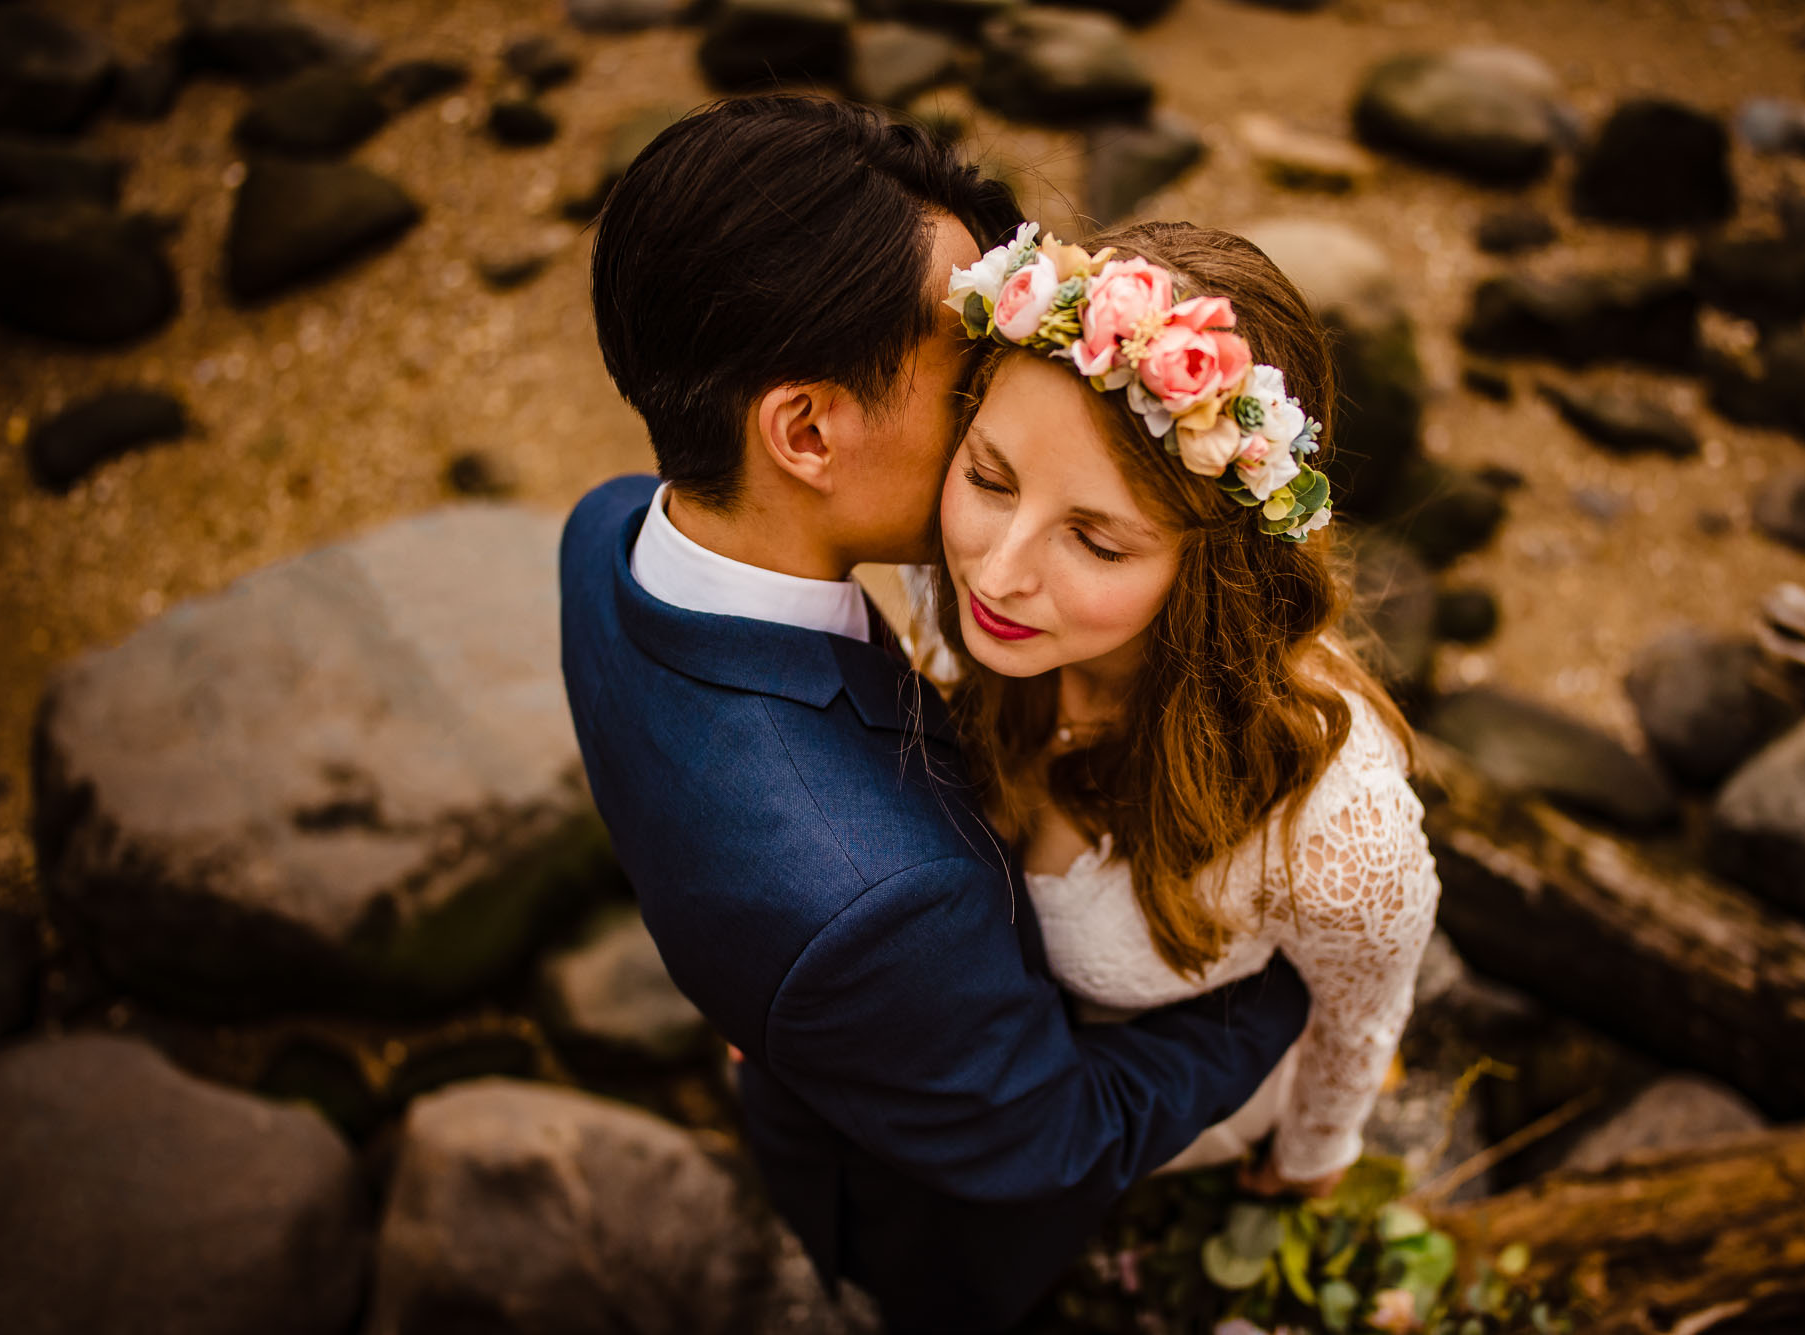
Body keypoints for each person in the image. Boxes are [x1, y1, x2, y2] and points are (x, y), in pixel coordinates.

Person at [557, 96, 1312, 1335]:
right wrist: (1284, 997)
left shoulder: (606, 532)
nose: (1007, 397)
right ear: (805, 429)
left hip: (831, 1057)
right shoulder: (868, 898)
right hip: (933, 1226)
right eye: (970, 371)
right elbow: (1057, 1136)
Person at [920, 218, 1443, 1199]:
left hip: (1164, 1141)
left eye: (1097, 542)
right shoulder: (955, 606)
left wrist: (1303, 1170)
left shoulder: (1333, 827)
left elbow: (1357, 1023)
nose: (995, 572)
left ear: (1213, 570)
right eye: (989, 476)